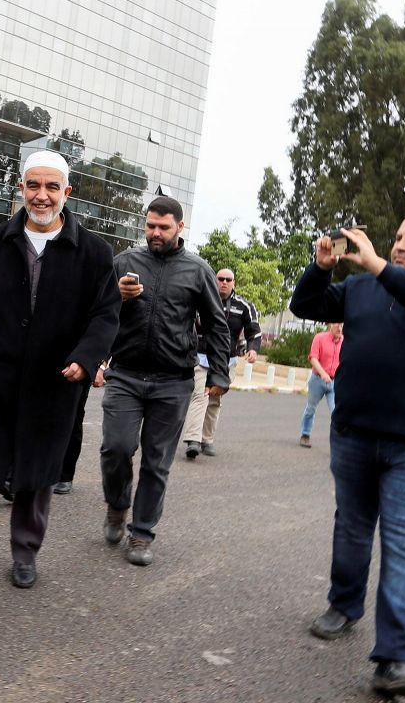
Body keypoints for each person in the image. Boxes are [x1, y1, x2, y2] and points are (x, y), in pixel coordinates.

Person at [0, 151, 120, 636]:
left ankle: (26, 550)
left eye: (52, 187)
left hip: (57, 383)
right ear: (21, 188)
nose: (42, 195)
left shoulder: (94, 252)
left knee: (35, 480)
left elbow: (106, 314)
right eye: (34, 185)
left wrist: (87, 356)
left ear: (67, 193)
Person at [290, 213, 405, 701]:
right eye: (396, 238)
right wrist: (321, 268)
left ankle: (394, 660)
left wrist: (374, 265)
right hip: (354, 436)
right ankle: (344, 605)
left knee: (404, 544)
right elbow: (305, 303)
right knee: (351, 527)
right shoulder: (361, 290)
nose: (398, 246)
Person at [98, 196, 231, 567]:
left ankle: (141, 533)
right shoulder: (125, 262)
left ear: (180, 228)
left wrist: (219, 372)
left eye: (164, 227)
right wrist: (117, 298)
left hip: (173, 381)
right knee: (116, 448)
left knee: (157, 462)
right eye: (150, 226)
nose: (155, 233)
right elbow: (98, 312)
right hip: (124, 374)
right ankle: (117, 505)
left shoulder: (198, 270)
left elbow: (216, 325)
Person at [182, 267, 261, 458]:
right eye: (220, 279)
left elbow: (254, 330)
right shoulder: (201, 300)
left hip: (226, 361)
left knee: (215, 400)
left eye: (228, 279)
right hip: (201, 358)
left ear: (234, 283)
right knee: (201, 395)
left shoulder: (244, 306)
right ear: (214, 280)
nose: (224, 282)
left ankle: (206, 439)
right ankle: (193, 440)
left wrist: (253, 349)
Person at [53, 369, 106, 495]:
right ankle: (18, 471)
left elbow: (100, 348)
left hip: (77, 361)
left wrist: (100, 366)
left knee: (72, 415)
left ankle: (65, 475)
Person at [298, 323, 344, 448]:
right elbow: (313, 358)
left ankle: (338, 442)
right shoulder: (320, 338)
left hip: (335, 383)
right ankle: (305, 435)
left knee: (336, 411)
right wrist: (323, 373)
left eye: (341, 325)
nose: (339, 328)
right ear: (330, 326)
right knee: (311, 409)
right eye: (336, 325)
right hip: (318, 379)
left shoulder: (345, 342)